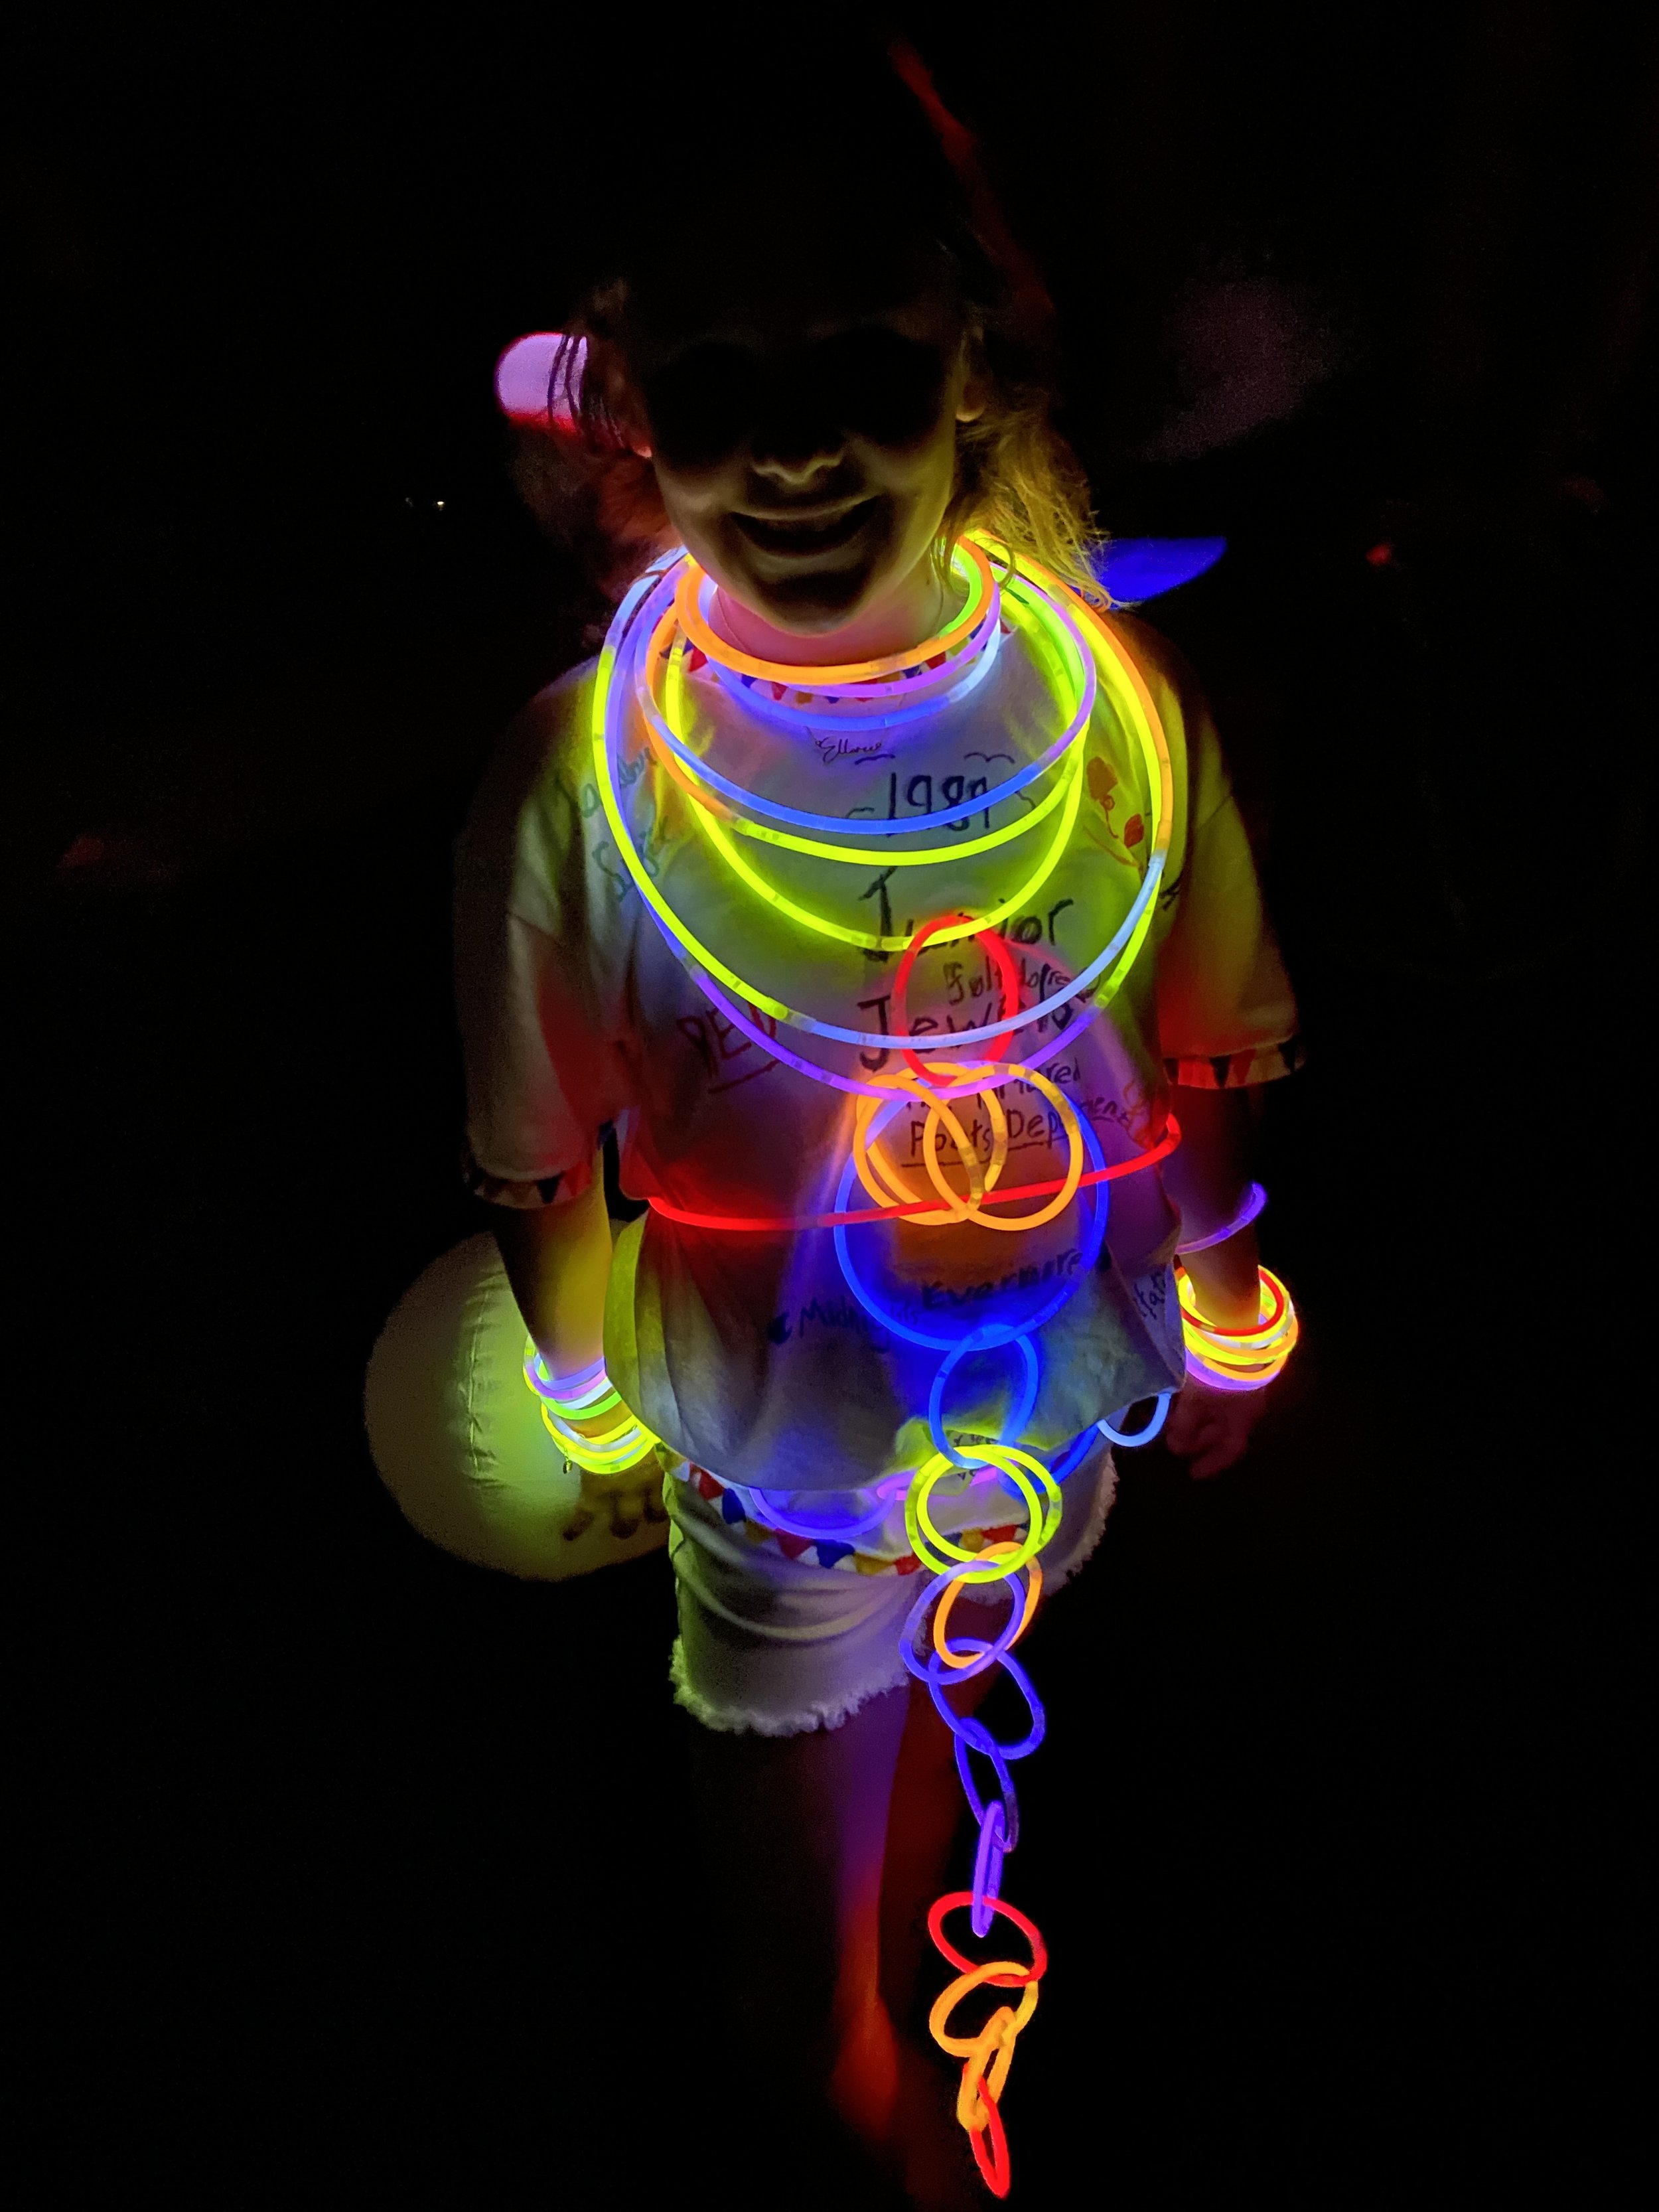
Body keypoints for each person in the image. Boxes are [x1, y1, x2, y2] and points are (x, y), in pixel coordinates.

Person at [433, 33, 1301, 2207]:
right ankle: (862, 2119)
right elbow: (545, 1155)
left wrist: (1214, 1296)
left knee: (927, 1736)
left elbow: (1187, 1050)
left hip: (1047, 1399)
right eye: (720, 374)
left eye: (860, 357)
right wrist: (589, 1392)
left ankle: (902, 1979)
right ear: (630, 406)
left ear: (973, 362)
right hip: (792, 1452)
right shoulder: (583, 790)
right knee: (781, 1976)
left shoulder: (1114, 715)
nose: (800, 437)